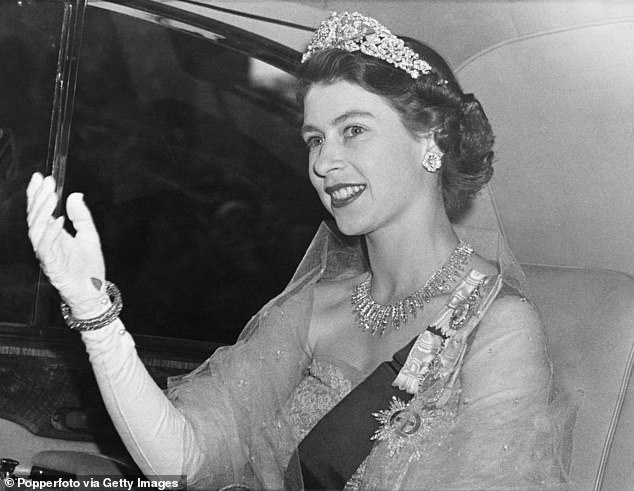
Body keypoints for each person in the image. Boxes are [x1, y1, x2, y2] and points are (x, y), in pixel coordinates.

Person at [26, 11, 572, 490]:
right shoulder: (315, 309)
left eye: (352, 129)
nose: (323, 163)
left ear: (430, 139)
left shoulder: (496, 327)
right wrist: (97, 316)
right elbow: (184, 460)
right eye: (315, 139)